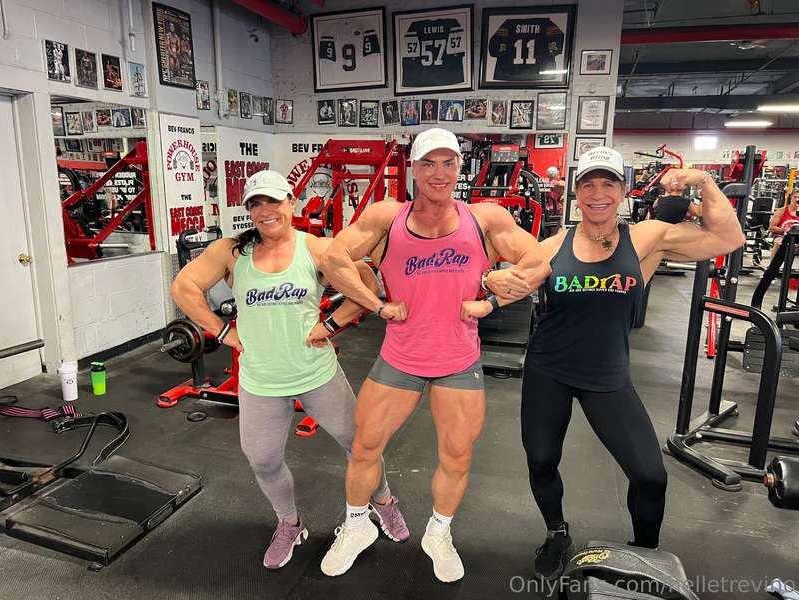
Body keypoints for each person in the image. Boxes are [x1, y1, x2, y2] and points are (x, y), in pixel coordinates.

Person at [494, 147, 745, 581]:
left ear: (623, 191)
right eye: (588, 185)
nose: (598, 194)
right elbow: (505, 285)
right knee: (541, 461)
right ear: (576, 193)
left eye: (607, 184)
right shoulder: (553, 246)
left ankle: (646, 554)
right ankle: (556, 533)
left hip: (607, 375)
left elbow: (729, 237)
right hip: (548, 370)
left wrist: (703, 182)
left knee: (650, 476)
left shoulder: (646, 238)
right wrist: (491, 278)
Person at [318, 128, 550, 582]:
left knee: (457, 455)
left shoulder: (484, 219)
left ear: (459, 168)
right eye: (428, 163)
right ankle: (357, 526)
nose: (438, 173)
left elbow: (538, 261)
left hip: (458, 361)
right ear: (414, 169)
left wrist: (493, 299)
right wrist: (376, 305)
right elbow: (332, 259)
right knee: (364, 447)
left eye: (448, 163)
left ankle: (438, 533)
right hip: (399, 357)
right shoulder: (387, 217)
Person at [171, 170, 407, 570]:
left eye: (274, 201)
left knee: (361, 446)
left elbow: (367, 283)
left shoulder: (316, 248)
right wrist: (223, 332)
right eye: (256, 204)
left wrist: (330, 325)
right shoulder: (232, 252)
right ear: (249, 211)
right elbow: (183, 287)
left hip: (316, 374)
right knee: (263, 461)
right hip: (260, 380)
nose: (266, 211)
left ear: (291, 203)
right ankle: (289, 523)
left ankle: (383, 501)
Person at [751, 190, 799, 309]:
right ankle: (772, 270)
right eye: (795, 197)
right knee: (779, 243)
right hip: (781, 237)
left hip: (796, 239)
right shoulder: (782, 211)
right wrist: (785, 230)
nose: (797, 199)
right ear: (791, 198)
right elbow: (771, 228)